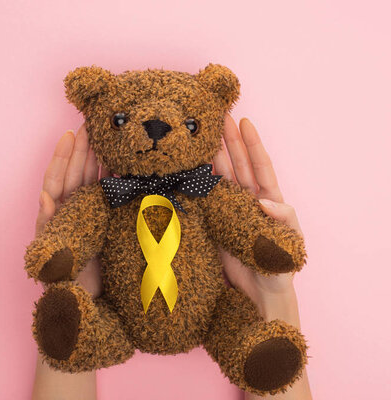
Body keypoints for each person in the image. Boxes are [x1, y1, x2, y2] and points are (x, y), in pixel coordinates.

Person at [30, 115, 313, 400]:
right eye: (120, 120)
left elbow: (238, 220)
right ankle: (72, 332)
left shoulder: (206, 191)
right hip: (119, 316)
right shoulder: (108, 197)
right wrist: (61, 251)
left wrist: (267, 252)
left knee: (236, 329)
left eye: (191, 125)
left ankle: (260, 357)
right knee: (85, 331)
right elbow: (80, 222)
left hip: (212, 314)